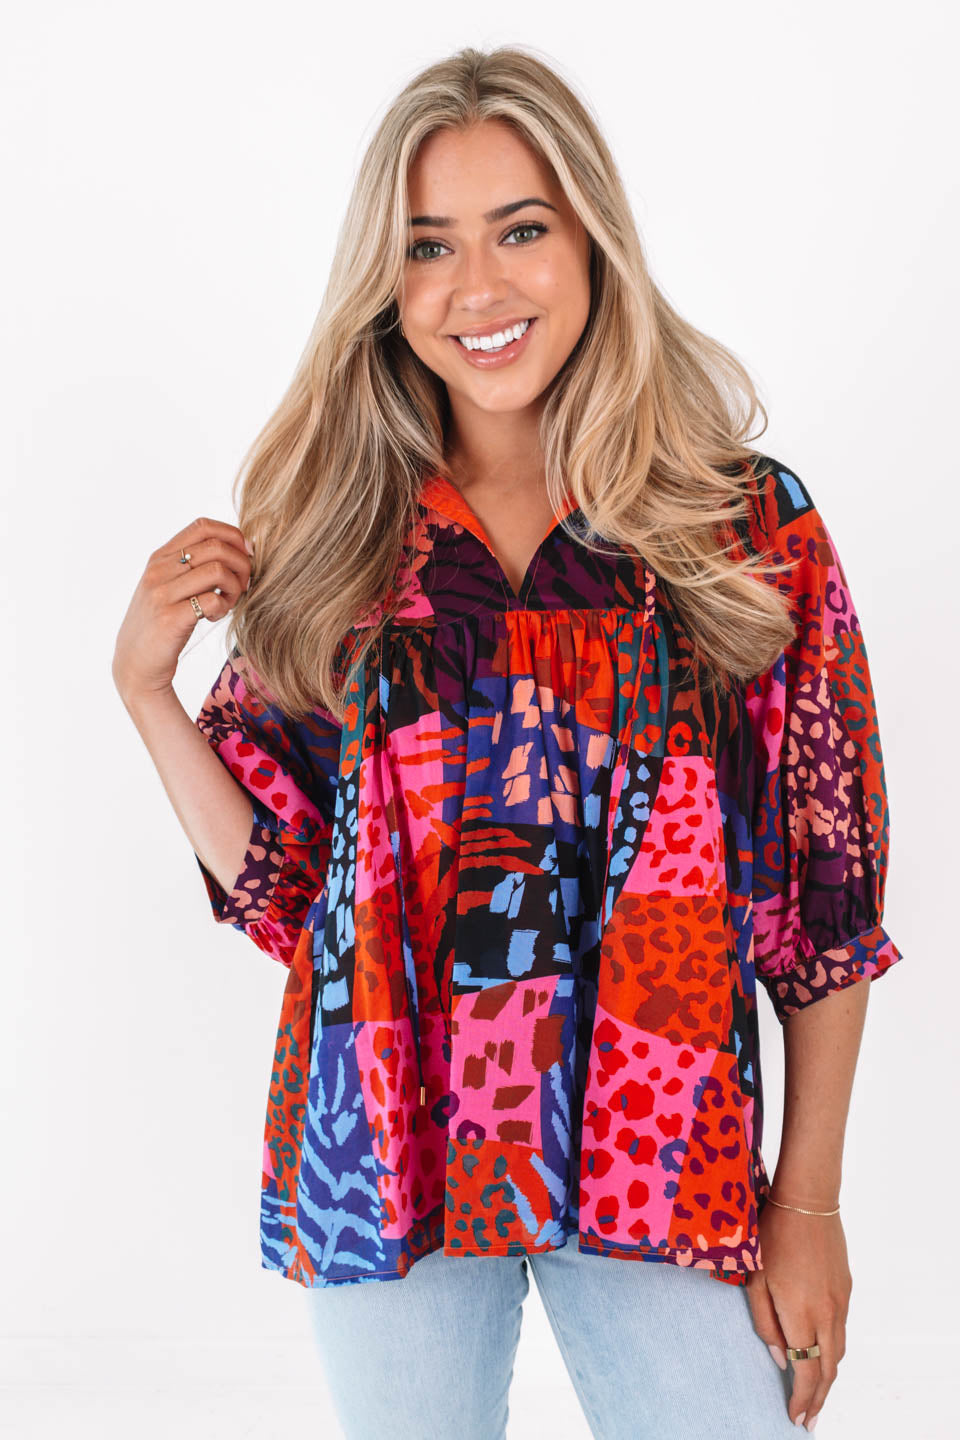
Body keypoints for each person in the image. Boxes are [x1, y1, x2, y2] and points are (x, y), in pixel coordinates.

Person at [112, 44, 903, 1440]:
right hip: (391, 1148)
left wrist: (811, 1204)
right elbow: (296, 895)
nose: (476, 288)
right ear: (386, 281)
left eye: (520, 229)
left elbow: (824, 903)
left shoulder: (740, 527)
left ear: (592, 240)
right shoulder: (347, 536)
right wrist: (145, 694)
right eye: (429, 246)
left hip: (660, 1146)